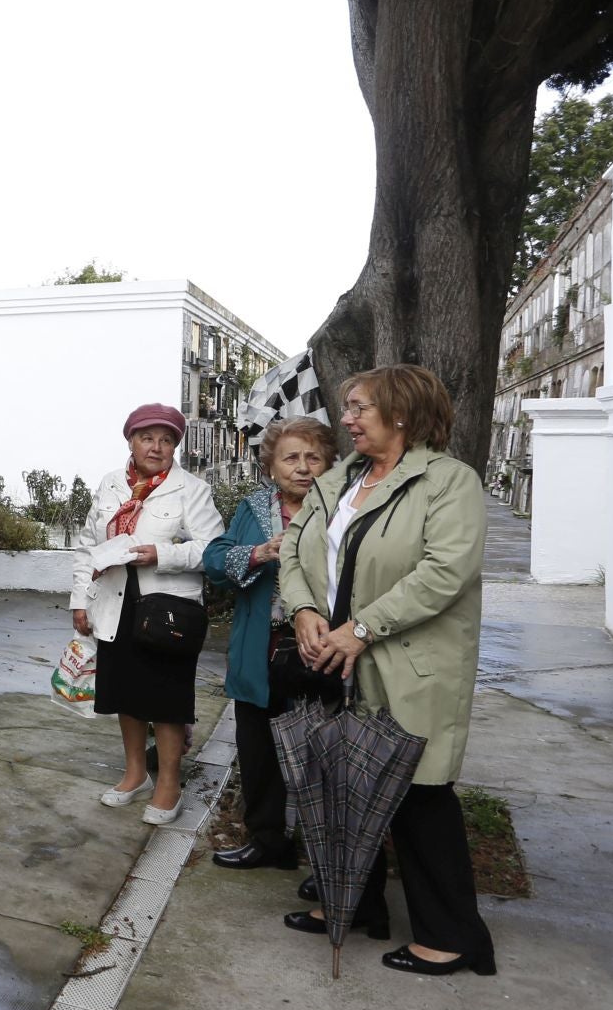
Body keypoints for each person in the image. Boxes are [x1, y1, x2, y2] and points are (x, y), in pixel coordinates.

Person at [279, 364, 496, 976]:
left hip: (408, 664)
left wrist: (361, 627)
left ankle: (453, 936)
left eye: (358, 408)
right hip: (331, 657)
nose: (345, 419)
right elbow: (297, 551)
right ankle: (355, 904)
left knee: (419, 794)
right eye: (347, 408)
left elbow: (444, 572)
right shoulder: (340, 480)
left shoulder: (449, 482)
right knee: (338, 779)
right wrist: (301, 610)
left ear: (400, 412)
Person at [71, 404, 225, 825]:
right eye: (147, 437)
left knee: (166, 699)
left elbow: (214, 549)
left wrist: (163, 554)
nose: (156, 447)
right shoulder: (110, 485)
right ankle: (135, 774)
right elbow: (88, 544)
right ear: (131, 441)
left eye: (166, 439)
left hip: (167, 610)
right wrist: (79, 600)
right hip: (115, 602)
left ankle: (168, 784)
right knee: (126, 695)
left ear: (175, 445)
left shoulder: (191, 489)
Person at [203, 417, 338, 872]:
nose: (302, 468)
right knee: (258, 750)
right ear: (272, 466)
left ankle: (326, 853)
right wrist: (260, 552)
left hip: (322, 650)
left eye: (312, 457)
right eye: (291, 458)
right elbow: (215, 562)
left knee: (323, 753)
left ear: (328, 463)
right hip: (260, 649)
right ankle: (268, 841)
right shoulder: (254, 507)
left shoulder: (341, 508)